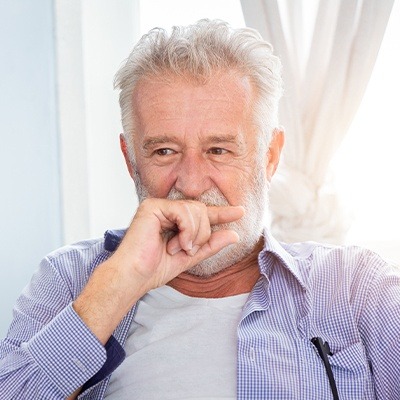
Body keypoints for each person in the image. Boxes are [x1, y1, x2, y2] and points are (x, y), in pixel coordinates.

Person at [0, 19, 399, 400]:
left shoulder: (355, 288)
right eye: (164, 151)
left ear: (270, 157)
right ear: (130, 161)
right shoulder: (70, 279)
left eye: (219, 150)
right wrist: (120, 283)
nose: (191, 183)